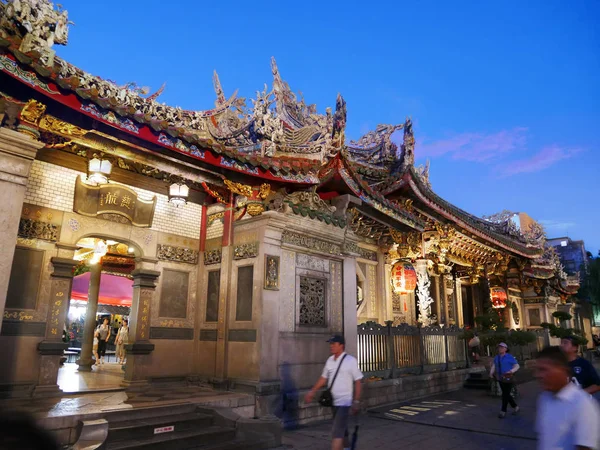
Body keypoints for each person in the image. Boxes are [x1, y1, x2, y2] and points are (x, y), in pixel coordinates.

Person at [305, 335, 363, 450]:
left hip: (344, 402)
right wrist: (312, 391)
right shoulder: (330, 361)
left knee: (336, 432)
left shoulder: (350, 360)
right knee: (342, 428)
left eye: (334, 343)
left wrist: (356, 400)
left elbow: (358, 381)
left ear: (341, 345)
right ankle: (346, 447)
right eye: (330, 344)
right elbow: (323, 378)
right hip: (333, 401)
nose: (331, 346)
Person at [535, 346, 600, 450]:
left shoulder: (582, 404)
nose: (538, 375)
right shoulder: (544, 398)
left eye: (544, 370)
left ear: (562, 370)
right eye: (538, 370)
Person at [489, 342, 520, 418]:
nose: (500, 349)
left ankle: (503, 410)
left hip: (509, 378)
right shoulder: (497, 357)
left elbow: (517, 366)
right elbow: (494, 365)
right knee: (506, 394)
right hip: (500, 378)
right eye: (499, 348)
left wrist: (511, 371)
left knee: (505, 395)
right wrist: (491, 373)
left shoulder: (509, 357)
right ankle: (516, 407)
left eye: (502, 347)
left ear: (506, 349)